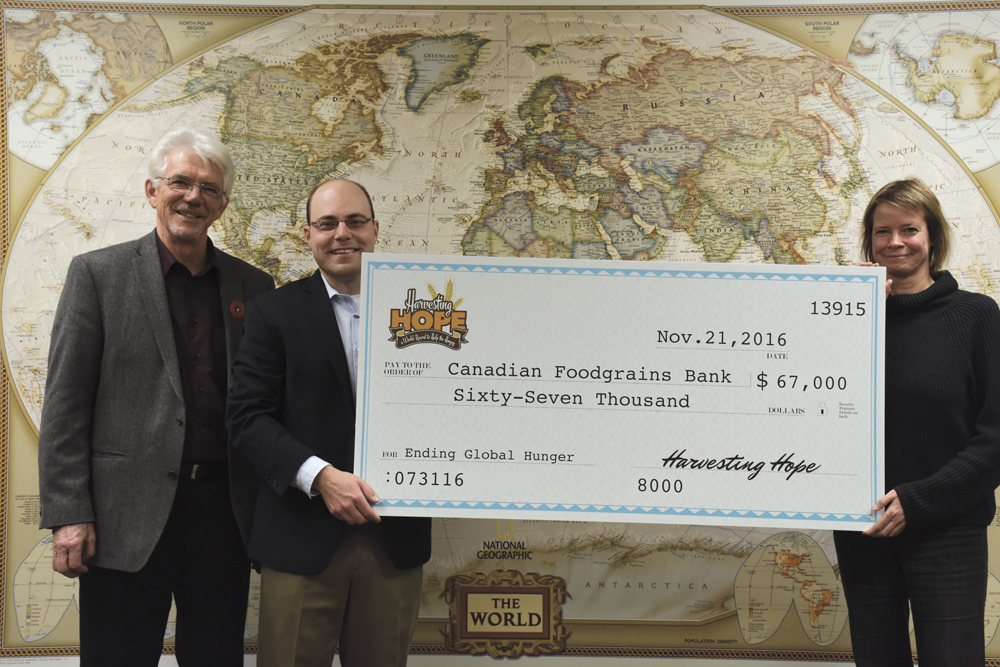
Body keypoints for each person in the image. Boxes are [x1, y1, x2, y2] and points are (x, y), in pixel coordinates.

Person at [37, 128, 274, 666]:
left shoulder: (254, 288)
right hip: (122, 517)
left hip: (223, 517)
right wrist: (69, 514)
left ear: (222, 206)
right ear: (152, 191)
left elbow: (263, 405)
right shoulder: (97, 275)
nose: (194, 197)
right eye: (181, 182)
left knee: (215, 658)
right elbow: (65, 407)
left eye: (209, 189)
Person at [226, 178, 431, 666]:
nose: (343, 233)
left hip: (393, 537)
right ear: (308, 234)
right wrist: (320, 476)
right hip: (302, 534)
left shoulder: (429, 311)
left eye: (355, 222)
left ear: (375, 230)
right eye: (328, 223)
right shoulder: (272, 313)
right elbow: (246, 418)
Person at [833, 178, 1000, 666]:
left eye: (909, 228)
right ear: (869, 241)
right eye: (882, 231)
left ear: (932, 237)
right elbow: (815, 409)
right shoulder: (843, 319)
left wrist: (918, 501)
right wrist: (857, 311)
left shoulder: (976, 317)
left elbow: (995, 440)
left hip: (947, 530)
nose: (895, 242)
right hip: (862, 531)